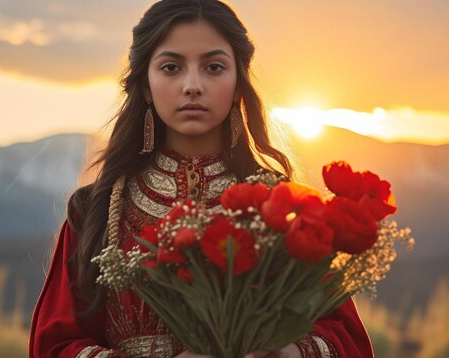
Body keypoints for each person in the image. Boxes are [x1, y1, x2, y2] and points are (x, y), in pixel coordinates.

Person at [29, 1, 374, 357]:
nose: (192, 85)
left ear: (238, 82)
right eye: (171, 67)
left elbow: (348, 341)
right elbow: (53, 346)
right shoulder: (97, 210)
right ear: (145, 85)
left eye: (213, 67)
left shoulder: (283, 210)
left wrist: (289, 352)